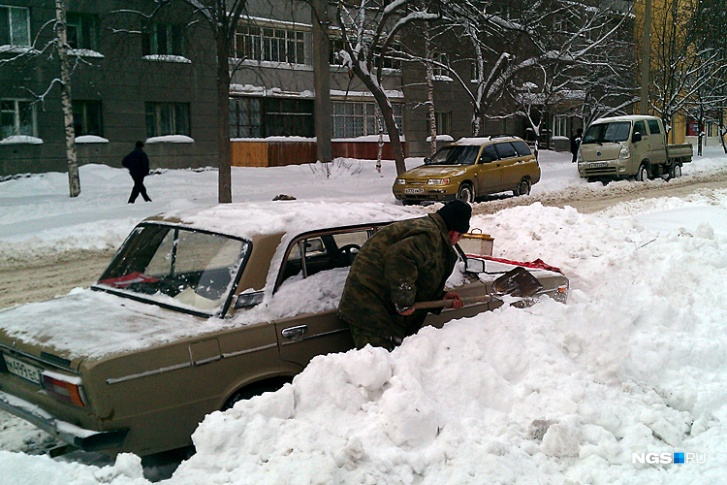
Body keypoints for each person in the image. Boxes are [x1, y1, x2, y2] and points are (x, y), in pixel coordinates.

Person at [338, 199, 472, 351]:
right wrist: (404, 301)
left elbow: (419, 274)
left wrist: (440, 297)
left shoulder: (429, 231)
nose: (457, 241)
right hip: (371, 307)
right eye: (460, 236)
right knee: (379, 365)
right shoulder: (430, 236)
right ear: (454, 232)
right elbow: (399, 257)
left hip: (378, 305)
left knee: (389, 362)